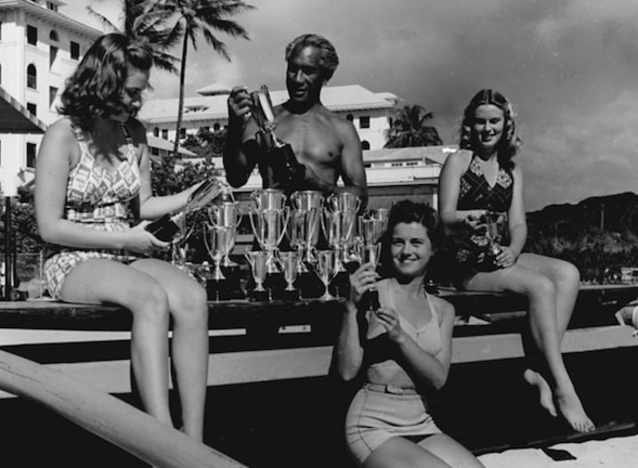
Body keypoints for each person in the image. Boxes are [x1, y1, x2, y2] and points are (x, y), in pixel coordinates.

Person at [34, 33, 209, 441]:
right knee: (150, 296)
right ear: (104, 83)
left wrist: (191, 195)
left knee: (192, 297)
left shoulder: (135, 135)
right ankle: (161, 441)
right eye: (131, 92)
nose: (137, 101)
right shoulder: (63, 136)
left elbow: (142, 205)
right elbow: (48, 227)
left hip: (126, 248)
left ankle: (195, 441)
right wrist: (126, 241)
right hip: (73, 257)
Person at [438, 89, 595, 433]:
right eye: (479, 122)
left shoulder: (512, 170)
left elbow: (519, 224)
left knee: (567, 274)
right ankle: (563, 386)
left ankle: (539, 369)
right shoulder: (459, 162)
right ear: (469, 125)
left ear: (505, 124)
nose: (487, 128)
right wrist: (466, 220)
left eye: (494, 121)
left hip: (500, 256)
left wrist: (514, 248)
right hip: (465, 263)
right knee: (540, 286)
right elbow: (444, 216)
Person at [336, 200, 485, 468]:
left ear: (433, 248)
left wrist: (400, 338)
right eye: (397, 242)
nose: (406, 251)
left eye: (416, 242)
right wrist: (350, 307)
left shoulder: (443, 309)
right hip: (373, 424)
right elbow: (347, 372)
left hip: (421, 421)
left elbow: (438, 379)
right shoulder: (373, 293)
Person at [223, 33, 368, 207]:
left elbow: (361, 197)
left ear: (325, 76)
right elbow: (236, 179)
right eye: (293, 69)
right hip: (273, 231)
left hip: (320, 231)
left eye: (308, 71)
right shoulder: (261, 121)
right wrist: (234, 125)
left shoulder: (342, 130)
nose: (297, 79)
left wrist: (319, 186)